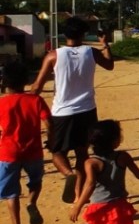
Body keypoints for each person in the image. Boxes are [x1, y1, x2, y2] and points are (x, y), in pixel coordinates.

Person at [32, 16, 114, 203]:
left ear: (64, 34)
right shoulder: (92, 53)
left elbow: (37, 87)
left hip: (62, 112)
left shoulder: (53, 55)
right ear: (83, 33)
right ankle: (78, 195)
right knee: (82, 153)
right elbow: (110, 65)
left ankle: (69, 174)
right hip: (87, 111)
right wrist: (106, 45)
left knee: (57, 152)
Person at [0, 59, 52, 224]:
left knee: (10, 193)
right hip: (34, 151)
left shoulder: (1, 104)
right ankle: (31, 201)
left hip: (8, 153)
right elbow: (48, 122)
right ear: (25, 81)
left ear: (5, 83)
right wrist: (51, 140)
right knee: (36, 181)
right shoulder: (36, 100)